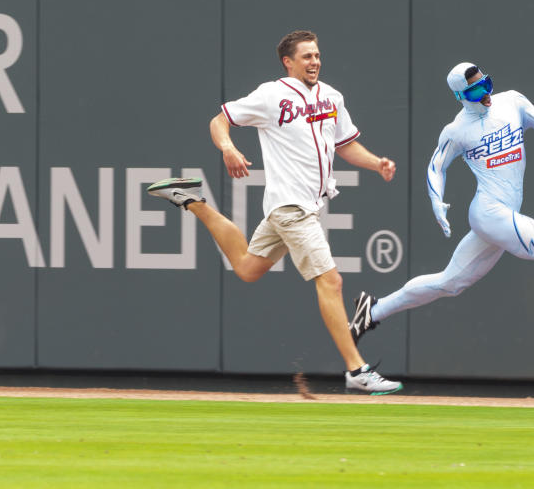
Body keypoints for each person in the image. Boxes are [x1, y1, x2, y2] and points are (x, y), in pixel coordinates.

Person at [147, 29, 403, 394]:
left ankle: (191, 201)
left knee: (248, 268)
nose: (314, 61)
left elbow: (346, 146)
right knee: (331, 281)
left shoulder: (332, 96)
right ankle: (356, 369)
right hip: (291, 207)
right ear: (288, 62)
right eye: (306, 57)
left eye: (316, 55)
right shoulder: (272, 95)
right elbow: (219, 121)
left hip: (304, 207)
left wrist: (377, 163)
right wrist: (228, 148)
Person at [349, 62, 534, 368]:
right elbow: (436, 168)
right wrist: (436, 200)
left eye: (487, 83)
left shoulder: (511, 101)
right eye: (477, 89)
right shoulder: (457, 130)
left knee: (448, 283)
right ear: (460, 96)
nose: (486, 92)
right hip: (489, 212)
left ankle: (371, 311)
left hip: (504, 213)